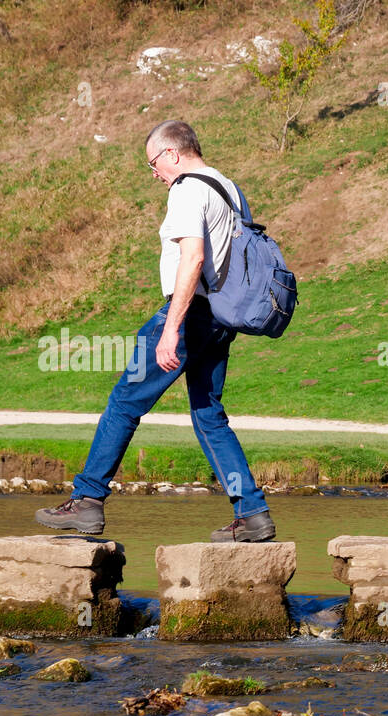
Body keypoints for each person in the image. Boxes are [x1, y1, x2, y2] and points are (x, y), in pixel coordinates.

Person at [35, 120, 275, 542]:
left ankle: (87, 503)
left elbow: (194, 259)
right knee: (210, 419)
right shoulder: (229, 188)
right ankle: (252, 514)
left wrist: (171, 331)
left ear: (173, 154)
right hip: (222, 319)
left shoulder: (186, 188)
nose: (155, 175)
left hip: (188, 316)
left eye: (153, 164)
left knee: (124, 403)